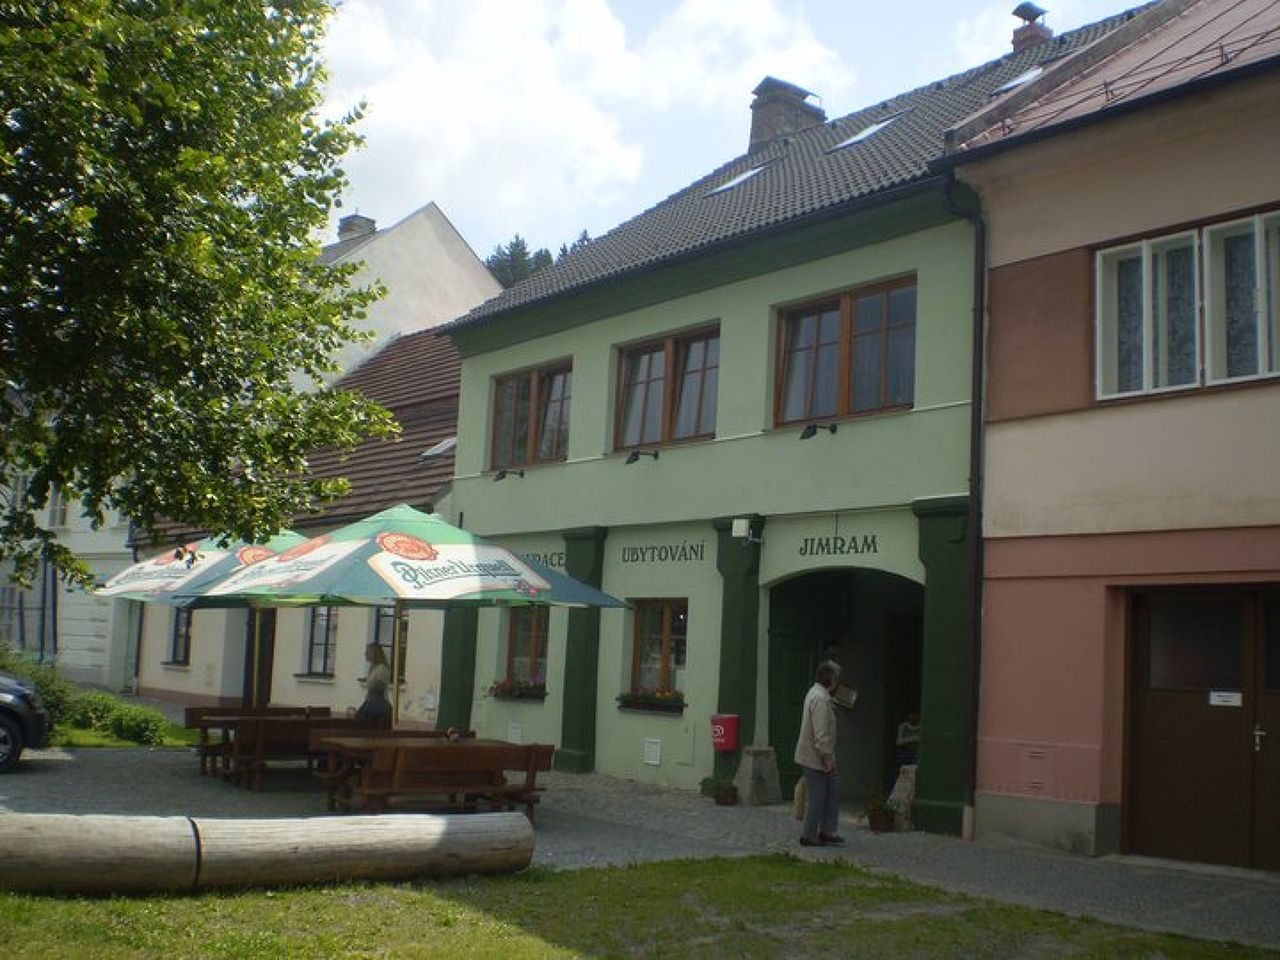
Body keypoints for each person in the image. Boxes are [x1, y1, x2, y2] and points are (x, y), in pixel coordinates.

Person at [794, 659, 844, 846]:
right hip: (816, 757)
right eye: (837, 679)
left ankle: (827, 831)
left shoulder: (818, 694)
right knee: (817, 797)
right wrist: (826, 757)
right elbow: (821, 733)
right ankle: (809, 835)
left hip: (819, 755)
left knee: (832, 792)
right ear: (832, 679)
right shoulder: (820, 699)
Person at [355, 642, 392, 724]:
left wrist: (369, 700)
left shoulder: (381, 669)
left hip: (377, 703)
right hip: (372, 702)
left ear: (374, 653)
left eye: (367, 652)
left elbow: (379, 687)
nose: (365, 654)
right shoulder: (373, 668)